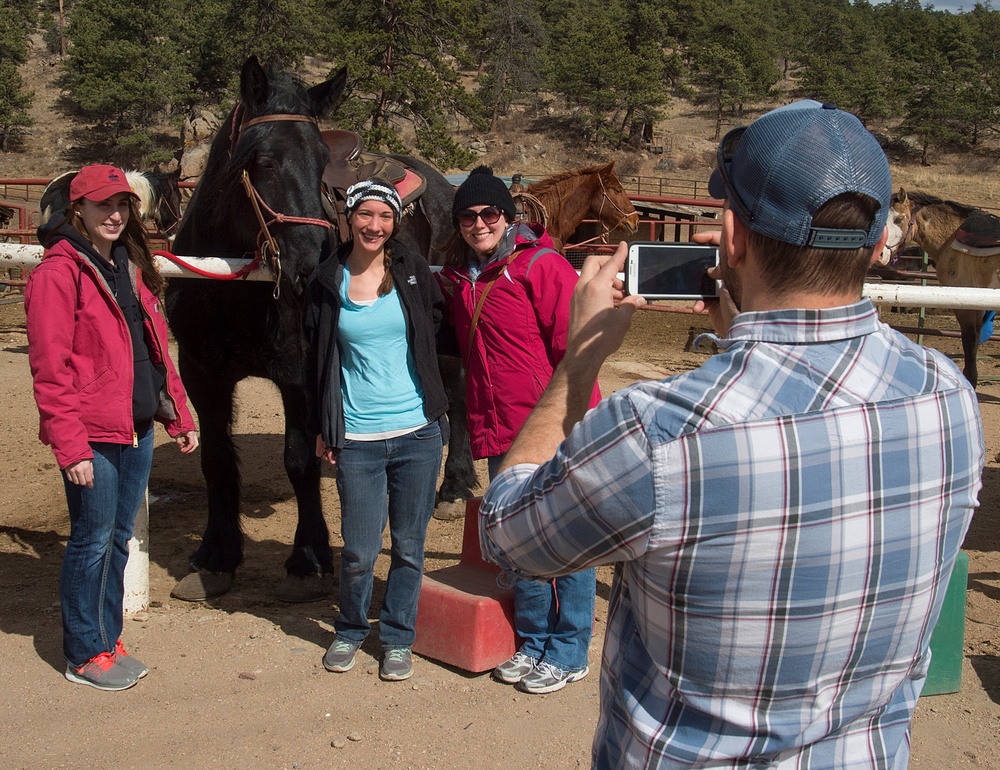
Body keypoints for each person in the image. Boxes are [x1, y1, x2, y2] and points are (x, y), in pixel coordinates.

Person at [478, 102, 984, 767]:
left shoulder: (659, 431)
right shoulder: (947, 394)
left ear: (732, 237)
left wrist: (576, 366)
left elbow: (509, 533)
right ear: (876, 239)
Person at [25, 164, 199, 692]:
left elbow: (153, 348)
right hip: (93, 434)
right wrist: (70, 446)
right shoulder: (59, 273)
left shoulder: (127, 265)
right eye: (103, 205)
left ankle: (107, 638)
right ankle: (84, 651)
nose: (115, 214)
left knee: (118, 539)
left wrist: (178, 413)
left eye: (122, 205)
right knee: (92, 541)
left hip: (136, 427)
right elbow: (50, 370)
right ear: (77, 209)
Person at [439, 166, 600, 694]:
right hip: (497, 428)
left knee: (568, 542)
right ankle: (534, 642)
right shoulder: (463, 277)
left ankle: (569, 649)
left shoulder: (541, 266)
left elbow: (576, 348)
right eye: (468, 215)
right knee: (520, 541)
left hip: (550, 427)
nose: (479, 222)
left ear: (508, 217)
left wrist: (581, 424)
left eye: (489, 213)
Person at [304, 178, 447, 682]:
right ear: (350, 217)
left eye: (384, 217)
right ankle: (349, 628)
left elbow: (436, 324)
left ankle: (397, 638)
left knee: (409, 547)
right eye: (365, 215)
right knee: (361, 551)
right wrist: (324, 427)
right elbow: (316, 361)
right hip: (358, 437)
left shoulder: (411, 271)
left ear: (395, 222)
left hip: (418, 433)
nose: (374, 225)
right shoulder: (326, 280)